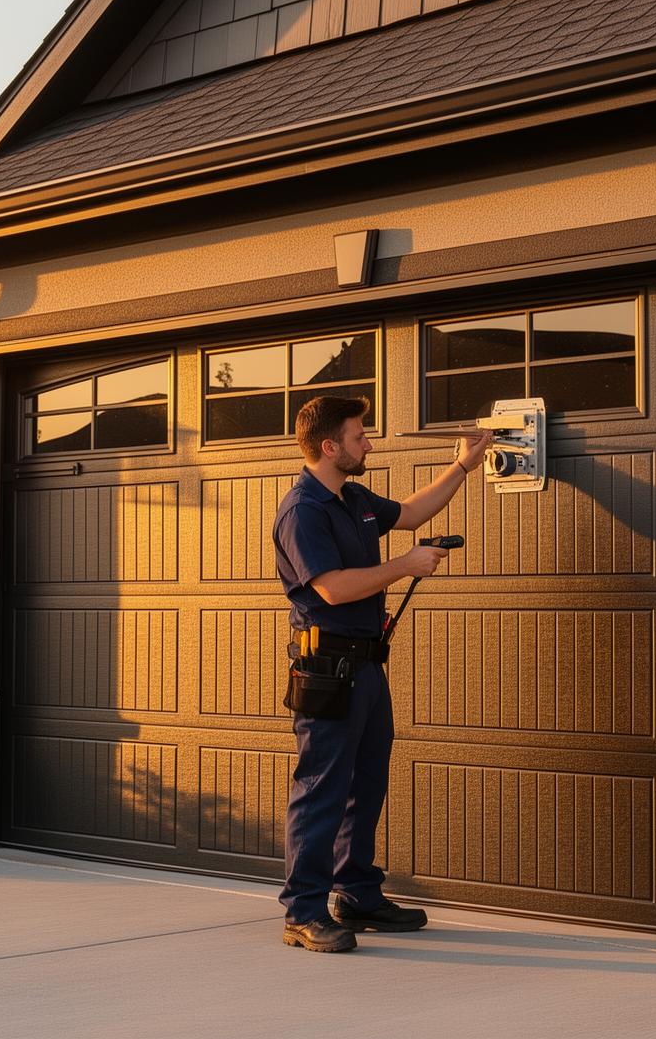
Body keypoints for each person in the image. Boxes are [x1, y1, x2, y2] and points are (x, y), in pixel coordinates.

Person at [272, 394, 488, 952]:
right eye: (359, 436)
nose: (368, 443)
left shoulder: (353, 497)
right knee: (321, 789)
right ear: (330, 446)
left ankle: (356, 893)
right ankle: (303, 911)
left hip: (367, 666)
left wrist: (463, 465)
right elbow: (333, 587)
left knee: (365, 786)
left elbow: (412, 513)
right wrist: (405, 564)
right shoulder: (303, 511)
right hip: (325, 668)